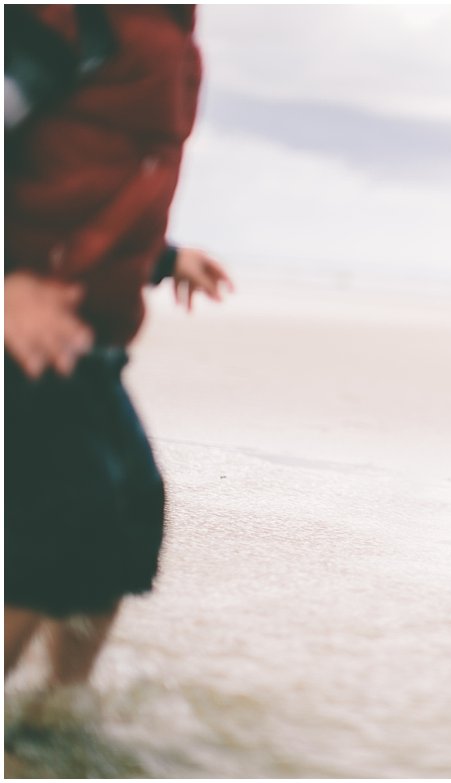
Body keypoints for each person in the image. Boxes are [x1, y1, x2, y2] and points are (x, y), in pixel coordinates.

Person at [4, 5, 206, 689]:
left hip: (82, 341)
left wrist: (162, 256)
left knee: (124, 520)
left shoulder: (165, 36)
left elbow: (84, 187)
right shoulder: (67, 18)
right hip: (22, 335)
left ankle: (58, 713)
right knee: (52, 538)